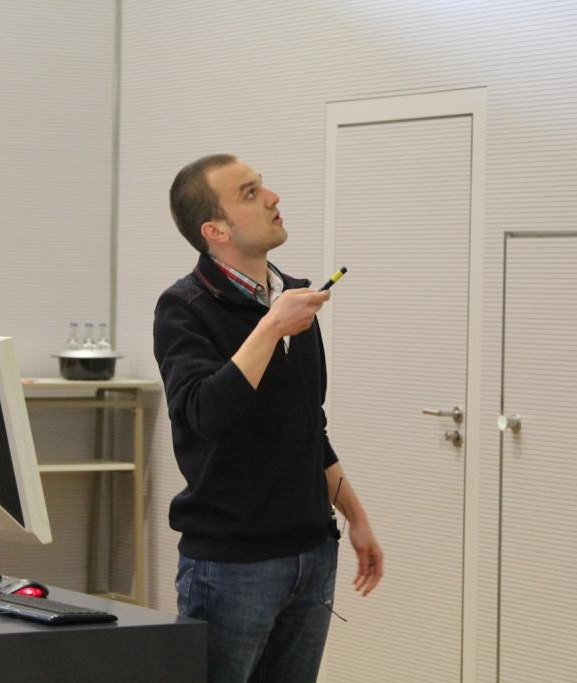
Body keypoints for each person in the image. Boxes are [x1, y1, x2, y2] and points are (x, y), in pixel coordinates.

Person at [153, 154, 383, 682]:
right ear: (215, 230)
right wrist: (271, 327)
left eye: (263, 186)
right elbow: (204, 412)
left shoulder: (294, 298)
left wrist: (355, 516)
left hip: (312, 555)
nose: (273, 197)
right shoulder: (184, 308)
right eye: (250, 193)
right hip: (232, 566)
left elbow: (308, 428)